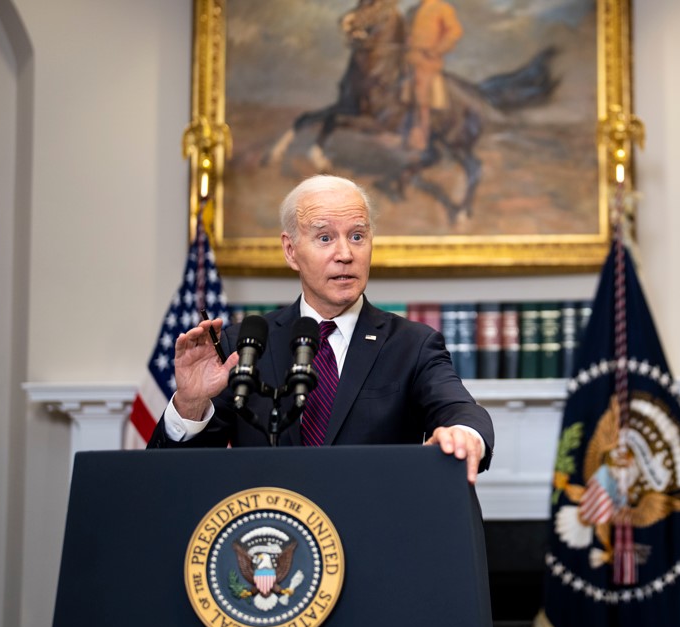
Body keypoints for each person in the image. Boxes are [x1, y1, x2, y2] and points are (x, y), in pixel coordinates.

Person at [147, 174, 493, 483]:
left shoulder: (412, 344)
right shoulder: (245, 345)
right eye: (325, 238)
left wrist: (463, 434)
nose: (345, 253)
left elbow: (458, 409)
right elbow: (176, 476)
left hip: (373, 539)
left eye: (357, 236)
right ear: (291, 250)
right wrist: (190, 405)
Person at [404, 0, 463, 150]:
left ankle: (422, 139)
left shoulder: (443, 8)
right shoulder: (413, 10)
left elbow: (455, 31)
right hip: (408, 59)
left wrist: (437, 50)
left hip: (427, 61)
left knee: (421, 99)